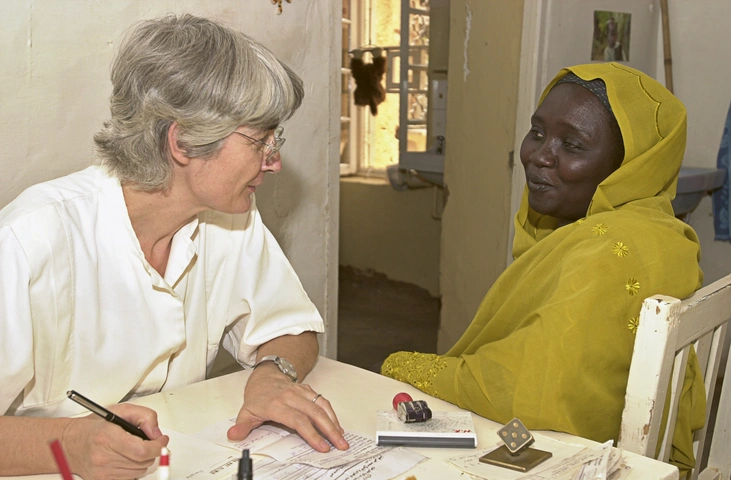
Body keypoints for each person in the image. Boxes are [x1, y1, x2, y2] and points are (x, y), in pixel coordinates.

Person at [0, 14, 348, 478]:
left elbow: (293, 328)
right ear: (182, 141)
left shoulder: (231, 219)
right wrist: (67, 443)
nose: (275, 162)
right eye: (260, 140)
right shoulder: (31, 238)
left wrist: (271, 375)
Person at [382, 63, 705, 472]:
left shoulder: (602, 253)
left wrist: (403, 365)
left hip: (582, 454)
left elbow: (530, 393)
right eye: (537, 132)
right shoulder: (661, 232)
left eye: (572, 145)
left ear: (629, 166)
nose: (538, 156)